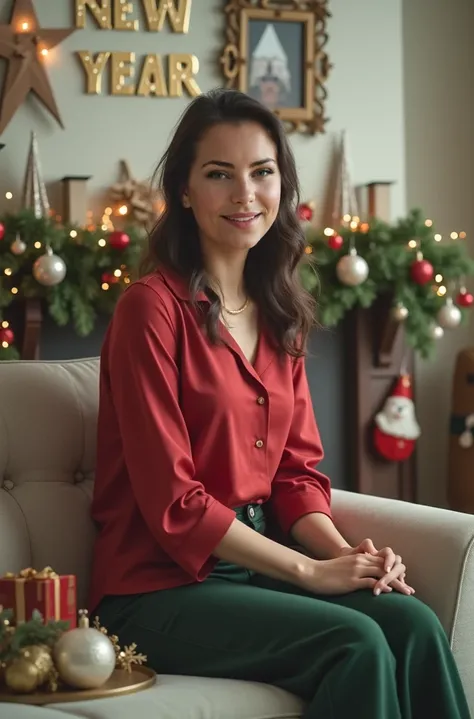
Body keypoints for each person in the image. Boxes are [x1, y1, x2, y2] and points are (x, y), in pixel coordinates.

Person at [89, 88, 470, 719]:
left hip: (254, 571)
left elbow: (295, 477)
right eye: (219, 174)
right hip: (155, 590)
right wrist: (307, 572)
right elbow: (175, 506)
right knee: (356, 643)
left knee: (413, 622)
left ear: (281, 186)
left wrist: (342, 556)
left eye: (262, 172)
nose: (245, 194)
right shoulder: (149, 311)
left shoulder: (279, 315)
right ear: (184, 190)